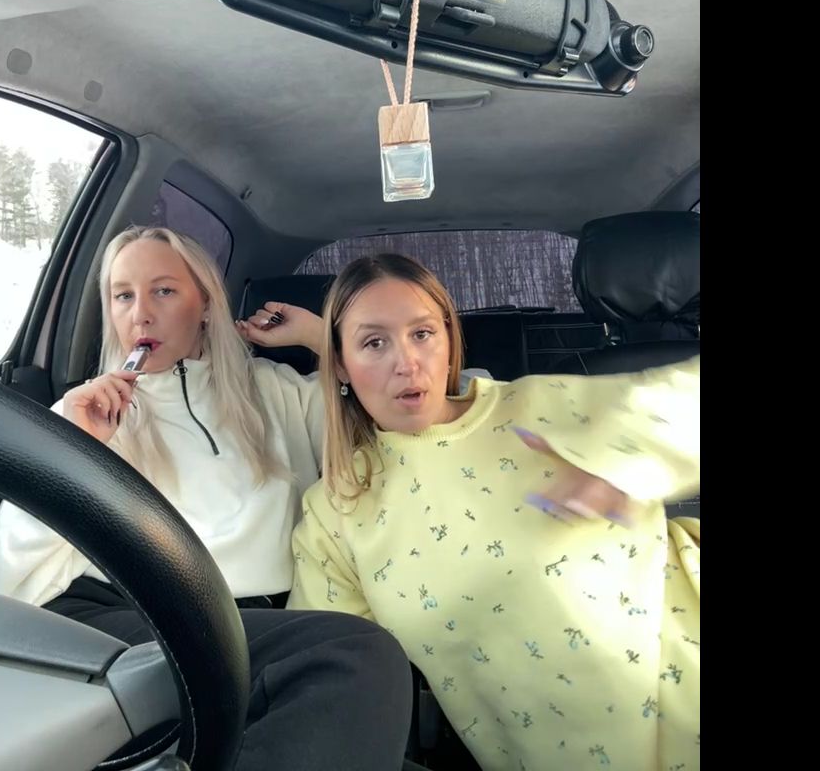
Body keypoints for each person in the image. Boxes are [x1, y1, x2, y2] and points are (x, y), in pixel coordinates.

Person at [0, 226, 413, 771]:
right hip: (124, 617)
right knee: (357, 653)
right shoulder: (88, 412)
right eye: (123, 296)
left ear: (205, 304)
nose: (141, 315)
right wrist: (73, 451)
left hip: (252, 628)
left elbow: (403, 420)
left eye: (163, 291)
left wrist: (320, 339)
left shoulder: (277, 392)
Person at [287, 252, 700, 771]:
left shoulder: (537, 407)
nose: (407, 362)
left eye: (422, 334)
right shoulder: (336, 511)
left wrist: (631, 460)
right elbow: (329, 672)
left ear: (449, 340)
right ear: (340, 364)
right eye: (374, 343)